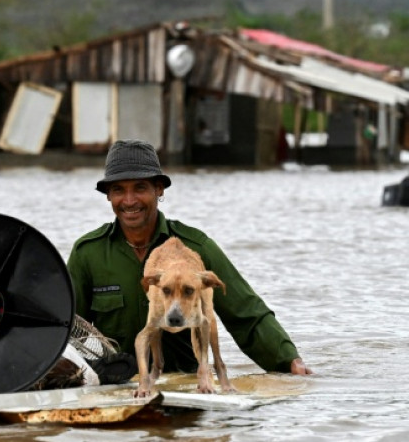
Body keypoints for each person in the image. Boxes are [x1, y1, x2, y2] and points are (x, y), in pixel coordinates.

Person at [66, 139, 312, 378]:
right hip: (115, 385)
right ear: (108, 195)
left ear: (158, 189)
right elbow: (65, 327)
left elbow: (246, 314)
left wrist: (288, 360)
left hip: (185, 385)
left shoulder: (197, 248)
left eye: (140, 187)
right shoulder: (87, 253)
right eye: (119, 190)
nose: (129, 201)